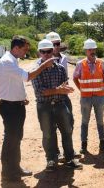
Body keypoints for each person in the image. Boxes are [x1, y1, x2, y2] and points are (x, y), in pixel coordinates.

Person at [0, 36, 55, 181]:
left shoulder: (12, 60)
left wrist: (21, 96)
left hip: (16, 105)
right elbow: (28, 77)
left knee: (16, 139)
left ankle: (15, 168)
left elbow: (15, 81)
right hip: (10, 107)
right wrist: (44, 65)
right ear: (16, 48)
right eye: (24, 50)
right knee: (11, 140)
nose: (26, 53)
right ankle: (8, 173)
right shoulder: (7, 62)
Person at [32, 39, 82, 171]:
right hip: (44, 106)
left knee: (67, 131)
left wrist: (61, 89)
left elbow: (63, 86)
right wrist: (58, 90)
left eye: (49, 51)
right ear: (39, 53)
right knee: (48, 134)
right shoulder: (35, 70)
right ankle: (51, 160)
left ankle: (69, 158)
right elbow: (39, 92)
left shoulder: (60, 69)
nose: (47, 54)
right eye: (44, 52)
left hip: (60, 104)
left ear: (53, 51)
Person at [73, 39, 104, 154]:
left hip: (99, 96)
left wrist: (99, 85)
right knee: (85, 121)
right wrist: (81, 89)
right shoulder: (80, 64)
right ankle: (84, 145)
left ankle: (102, 144)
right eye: (89, 49)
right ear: (86, 51)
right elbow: (75, 77)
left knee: (100, 121)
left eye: (93, 49)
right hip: (86, 97)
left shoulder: (101, 63)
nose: (92, 51)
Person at [46, 31, 77, 161]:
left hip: (64, 97)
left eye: (57, 43)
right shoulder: (42, 62)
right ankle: (55, 153)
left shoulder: (64, 59)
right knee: (51, 128)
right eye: (53, 44)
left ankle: (68, 152)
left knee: (69, 124)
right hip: (49, 99)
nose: (55, 47)